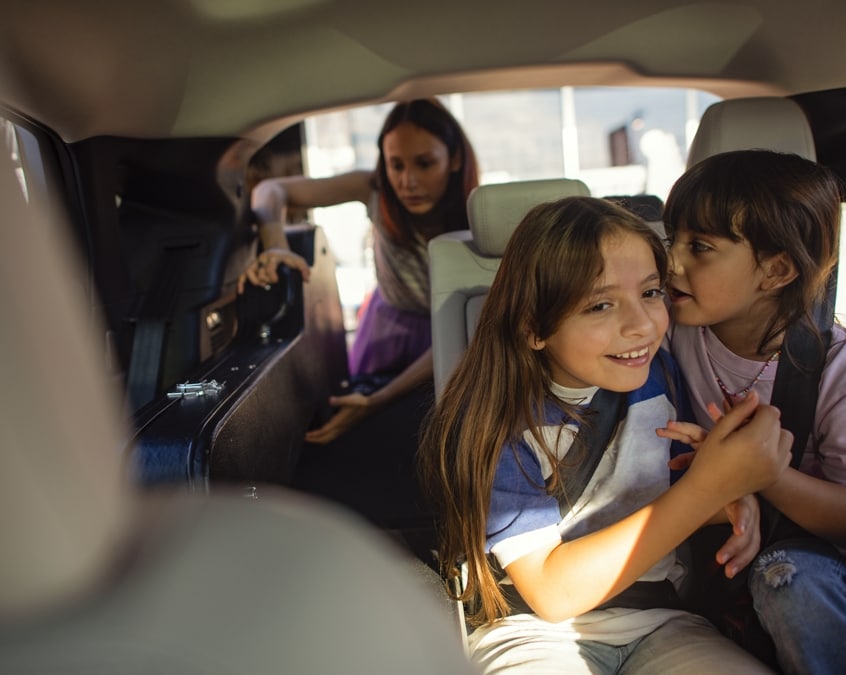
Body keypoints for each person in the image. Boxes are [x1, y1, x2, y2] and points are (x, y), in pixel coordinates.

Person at [418, 196, 792, 674]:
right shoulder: (496, 420)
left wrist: (735, 501)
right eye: (600, 305)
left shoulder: (660, 374)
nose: (641, 325)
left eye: (652, 293)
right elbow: (551, 594)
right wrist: (708, 490)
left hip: (661, 618)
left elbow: (675, 493)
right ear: (534, 327)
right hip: (531, 630)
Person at [662, 149, 846, 674]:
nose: (672, 263)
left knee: (786, 578)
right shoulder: (669, 332)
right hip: (722, 540)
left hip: (826, 554)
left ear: (776, 270)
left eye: (700, 247)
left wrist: (764, 475)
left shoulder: (843, 372)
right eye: (670, 240)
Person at [239, 98, 479, 444]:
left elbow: (462, 335)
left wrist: (377, 402)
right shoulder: (374, 189)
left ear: (455, 160)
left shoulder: (475, 219)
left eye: (424, 164)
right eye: (395, 165)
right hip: (387, 330)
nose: (407, 181)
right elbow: (270, 189)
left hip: (453, 336)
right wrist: (276, 245)